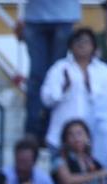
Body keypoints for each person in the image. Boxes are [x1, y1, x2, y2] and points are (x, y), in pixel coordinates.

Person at [40, 28, 107, 152]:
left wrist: (90, 87)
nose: (81, 45)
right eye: (77, 41)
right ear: (70, 46)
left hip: (93, 139)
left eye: (86, 41)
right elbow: (46, 99)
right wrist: (63, 89)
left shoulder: (105, 71)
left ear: (94, 46)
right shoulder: (59, 68)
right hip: (60, 139)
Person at [17, 0, 81, 139]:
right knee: (37, 77)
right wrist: (20, 16)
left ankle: (51, 131)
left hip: (62, 15)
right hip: (38, 16)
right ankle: (33, 131)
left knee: (55, 77)